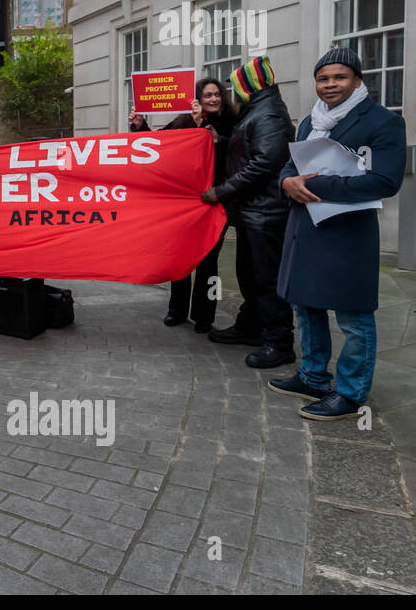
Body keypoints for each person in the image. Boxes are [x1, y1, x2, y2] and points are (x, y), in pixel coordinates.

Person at [270, 47, 406, 420]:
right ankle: (313, 376)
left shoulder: (384, 122)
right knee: (305, 304)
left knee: (353, 316)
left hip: (349, 232)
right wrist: (286, 183)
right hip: (306, 226)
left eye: (339, 77)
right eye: (323, 78)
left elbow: (385, 181)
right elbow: (288, 164)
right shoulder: (309, 122)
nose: (330, 85)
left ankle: (350, 394)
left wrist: (317, 185)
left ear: (358, 80)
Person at [201, 57, 296, 368]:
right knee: (250, 274)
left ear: (248, 85)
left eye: (235, 85)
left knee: (267, 279)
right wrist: (224, 141)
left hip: (266, 213)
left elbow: (265, 163)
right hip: (253, 212)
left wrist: (222, 191)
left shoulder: (268, 113)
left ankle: (279, 342)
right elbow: (251, 152)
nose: (233, 92)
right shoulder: (258, 110)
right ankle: (251, 326)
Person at [128, 79, 237, 332]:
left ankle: (205, 316)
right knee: (181, 259)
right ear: (197, 98)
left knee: (209, 263)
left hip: (214, 203)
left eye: (217, 94)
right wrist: (139, 126)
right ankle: (176, 310)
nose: (213, 99)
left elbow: (234, 156)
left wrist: (209, 133)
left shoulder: (231, 122)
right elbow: (158, 148)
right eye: (207, 95)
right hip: (185, 206)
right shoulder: (181, 122)